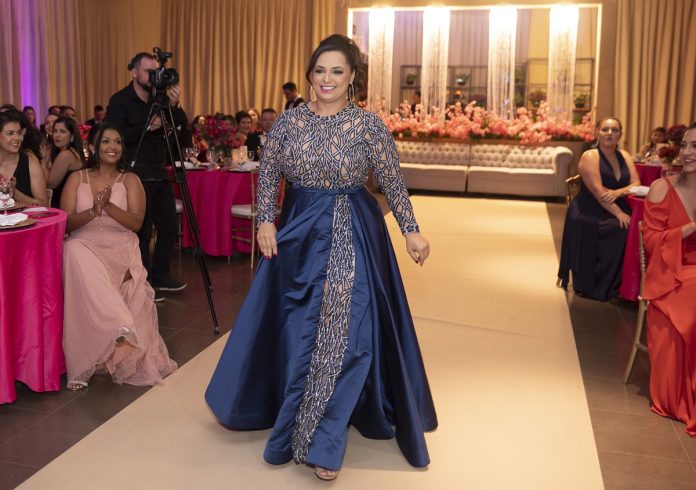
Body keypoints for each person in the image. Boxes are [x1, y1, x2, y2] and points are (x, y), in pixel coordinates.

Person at [206, 34, 437, 481]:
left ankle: (324, 440)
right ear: (310, 75)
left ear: (352, 78)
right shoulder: (288, 124)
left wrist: (411, 230)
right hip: (298, 234)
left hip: (354, 229)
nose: (326, 79)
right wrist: (265, 220)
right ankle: (297, 411)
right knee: (298, 327)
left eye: (337, 71)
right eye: (319, 70)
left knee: (346, 331)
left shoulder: (368, 125)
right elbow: (269, 173)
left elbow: (391, 179)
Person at [60, 124, 177, 390]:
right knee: (71, 248)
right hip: (86, 244)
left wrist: (108, 206)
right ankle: (117, 324)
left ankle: (115, 331)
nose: (112, 146)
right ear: (93, 147)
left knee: (84, 258)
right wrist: (93, 211)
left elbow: (136, 223)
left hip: (121, 246)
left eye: (117, 142)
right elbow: (66, 223)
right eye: (105, 141)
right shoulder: (77, 178)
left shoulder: (131, 180)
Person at [106, 51, 189, 294]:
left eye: (157, 72)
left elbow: (182, 129)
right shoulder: (121, 100)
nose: (154, 77)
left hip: (159, 170)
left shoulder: (159, 100)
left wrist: (174, 106)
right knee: (141, 230)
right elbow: (115, 137)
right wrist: (149, 126)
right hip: (133, 172)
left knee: (168, 227)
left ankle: (160, 275)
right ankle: (142, 283)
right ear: (133, 72)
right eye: (149, 72)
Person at [641, 123, 696, 434]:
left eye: (695, 147)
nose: (687, 152)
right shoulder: (662, 187)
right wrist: (690, 228)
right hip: (671, 275)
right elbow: (651, 240)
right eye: (685, 145)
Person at [558, 117, 640, 301]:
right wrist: (619, 213)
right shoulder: (590, 156)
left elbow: (636, 183)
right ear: (597, 132)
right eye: (605, 129)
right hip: (588, 208)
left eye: (615, 130)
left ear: (620, 134)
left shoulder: (625, 156)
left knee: (636, 226)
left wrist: (618, 192)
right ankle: (599, 285)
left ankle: (621, 285)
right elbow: (598, 192)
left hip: (613, 203)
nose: (610, 133)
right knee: (619, 228)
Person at [0, 112, 48, 206]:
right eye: (10, 133)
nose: (17, 138)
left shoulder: (29, 161)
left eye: (19, 133)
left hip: (25, 216)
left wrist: (14, 192)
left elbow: (44, 205)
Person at [46, 116, 85, 208]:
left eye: (62, 131)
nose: (57, 135)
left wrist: (43, 160)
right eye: (55, 131)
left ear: (72, 136)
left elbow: (50, 184)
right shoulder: (73, 152)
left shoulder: (66, 155)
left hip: (64, 207)